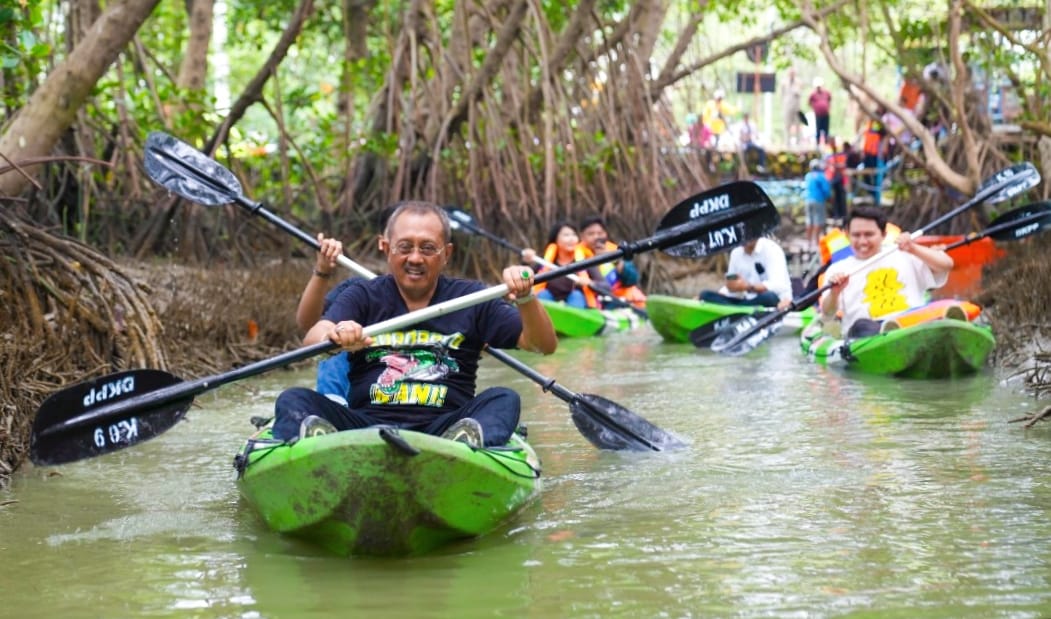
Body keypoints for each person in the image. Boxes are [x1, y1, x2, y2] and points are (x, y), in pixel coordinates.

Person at [272, 201, 558, 447]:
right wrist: (335, 336)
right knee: (293, 399)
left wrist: (526, 297)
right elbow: (313, 335)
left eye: (428, 248)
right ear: (386, 249)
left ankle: (465, 446)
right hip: (364, 427)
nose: (415, 258)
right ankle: (323, 447)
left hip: (445, 428)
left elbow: (543, 345)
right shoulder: (363, 294)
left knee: (504, 399)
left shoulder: (472, 297)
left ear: (446, 254)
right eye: (405, 247)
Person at [821, 206, 953, 338]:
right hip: (867, 335)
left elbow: (946, 264)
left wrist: (913, 247)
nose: (862, 241)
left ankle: (898, 330)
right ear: (847, 235)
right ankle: (888, 332)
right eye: (856, 235)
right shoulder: (837, 269)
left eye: (869, 234)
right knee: (862, 326)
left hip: (911, 323)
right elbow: (828, 314)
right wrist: (835, 292)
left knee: (937, 310)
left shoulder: (904, 254)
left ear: (883, 234)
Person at [295, 234, 359, 405]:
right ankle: (332, 405)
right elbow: (308, 325)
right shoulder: (358, 290)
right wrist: (322, 270)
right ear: (385, 245)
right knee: (336, 336)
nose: (415, 258)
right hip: (351, 391)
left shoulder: (439, 299)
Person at [699, 237, 793, 310]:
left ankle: (733, 313)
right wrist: (726, 290)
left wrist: (748, 287)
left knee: (768, 297)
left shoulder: (772, 249)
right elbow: (733, 285)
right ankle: (736, 313)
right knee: (705, 295)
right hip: (747, 303)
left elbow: (778, 285)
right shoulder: (735, 253)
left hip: (774, 302)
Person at [522, 221, 597, 309]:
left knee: (577, 296)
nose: (571, 239)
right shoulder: (545, 261)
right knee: (543, 294)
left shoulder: (585, 261)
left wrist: (591, 283)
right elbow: (524, 277)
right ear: (556, 239)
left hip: (576, 304)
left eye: (574, 235)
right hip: (550, 302)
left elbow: (605, 286)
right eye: (566, 235)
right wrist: (525, 263)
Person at [577, 214, 647, 309]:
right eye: (591, 234)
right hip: (597, 304)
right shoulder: (576, 256)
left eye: (600, 233)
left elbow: (632, 279)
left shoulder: (615, 251)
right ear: (582, 236)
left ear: (606, 234)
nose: (596, 237)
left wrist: (614, 260)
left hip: (625, 300)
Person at [804, 158, 832, 250]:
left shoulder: (808, 176)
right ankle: (816, 243)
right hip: (818, 200)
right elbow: (826, 190)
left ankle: (808, 242)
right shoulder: (821, 176)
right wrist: (828, 197)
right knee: (818, 221)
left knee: (809, 221)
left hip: (808, 200)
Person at [823, 136, 848, 226]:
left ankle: (843, 215)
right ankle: (836, 215)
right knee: (834, 197)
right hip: (832, 178)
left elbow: (843, 163)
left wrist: (836, 165)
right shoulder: (827, 151)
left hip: (840, 177)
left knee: (841, 196)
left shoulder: (840, 151)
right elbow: (826, 164)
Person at [781, 68, 803, 148]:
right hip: (787, 105)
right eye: (790, 73)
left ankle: (798, 142)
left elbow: (800, 92)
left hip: (796, 106)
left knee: (798, 124)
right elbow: (782, 94)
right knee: (787, 124)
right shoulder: (784, 82)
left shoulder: (799, 82)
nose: (792, 74)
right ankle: (787, 142)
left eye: (793, 73)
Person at [808, 77, 832, 147]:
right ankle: (818, 144)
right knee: (818, 130)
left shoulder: (827, 93)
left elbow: (830, 100)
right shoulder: (813, 94)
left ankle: (826, 144)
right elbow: (809, 102)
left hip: (826, 114)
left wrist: (828, 108)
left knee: (826, 130)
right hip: (818, 115)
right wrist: (814, 108)